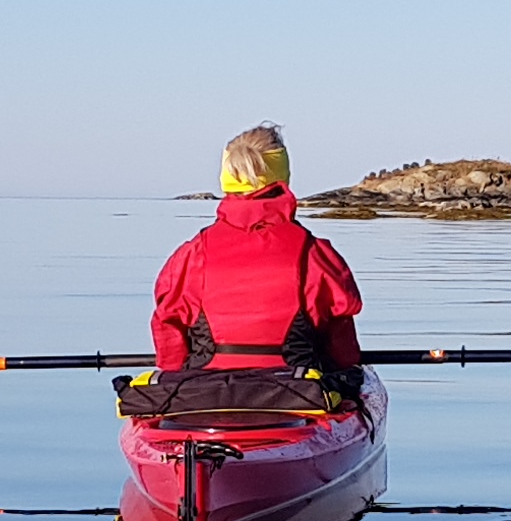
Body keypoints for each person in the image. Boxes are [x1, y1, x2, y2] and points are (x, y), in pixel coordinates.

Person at [145, 123, 366, 396]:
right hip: (296, 394)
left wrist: (172, 384)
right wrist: (349, 376)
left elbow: (167, 326)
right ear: (282, 176)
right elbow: (340, 335)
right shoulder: (315, 254)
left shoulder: (192, 254)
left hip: (204, 393)